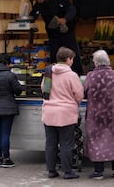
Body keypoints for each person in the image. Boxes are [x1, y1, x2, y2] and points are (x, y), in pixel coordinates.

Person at [41, 47, 84, 180]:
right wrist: (74, 102)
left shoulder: (48, 72)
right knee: (66, 143)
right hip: (66, 114)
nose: (72, 61)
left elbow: (44, 89)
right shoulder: (71, 75)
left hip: (49, 112)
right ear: (68, 59)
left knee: (50, 143)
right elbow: (79, 94)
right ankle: (67, 171)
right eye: (72, 59)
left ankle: (51, 170)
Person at [83, 50, 114, 180]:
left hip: (96, 115)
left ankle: (98, 171)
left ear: (96, 62)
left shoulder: (90, 76)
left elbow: (84, 92)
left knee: (96, 140)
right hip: (112, 114)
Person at [29, 0, 83, 75]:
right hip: (53, 34)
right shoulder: (39, 4)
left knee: (72, 53)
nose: (39, 1)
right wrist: (29, 23)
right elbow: (33, 15)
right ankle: (55, 75)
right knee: (54, 55)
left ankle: (77, 74)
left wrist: (65, 19)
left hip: (66, 31)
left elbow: (71, 9)